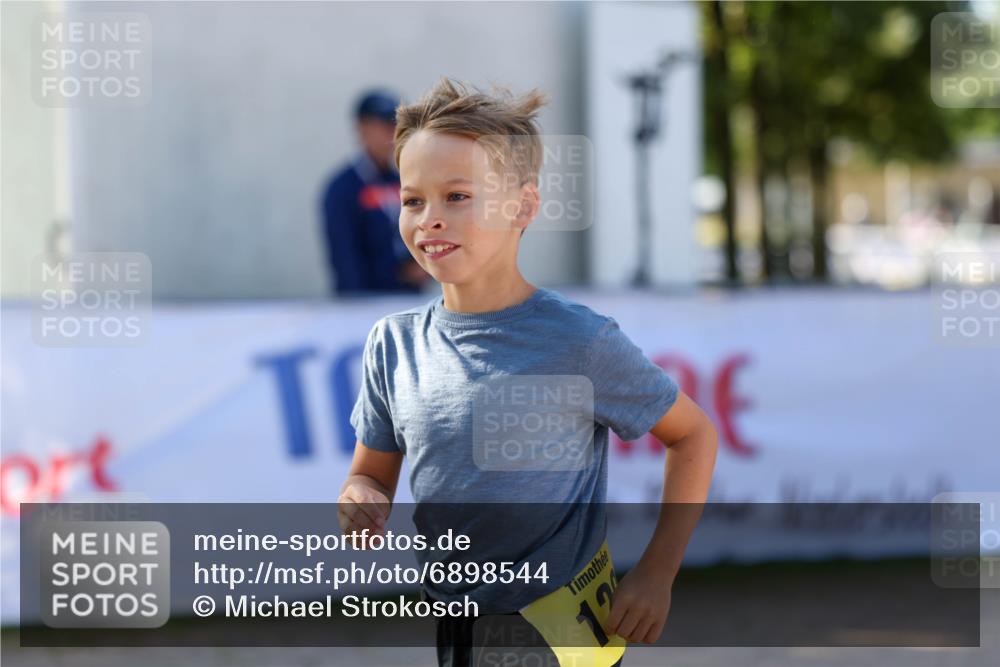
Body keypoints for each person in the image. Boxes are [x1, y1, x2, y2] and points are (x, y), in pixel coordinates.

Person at [337, 77, 718, 667]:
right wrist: (360, 497)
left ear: (523, 206)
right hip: (458, 628)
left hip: (558, 635)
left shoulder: (580, 341)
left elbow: (693, 435)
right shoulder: (392, 345)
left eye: (457, 196)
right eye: (413, 200)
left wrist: (657, 574)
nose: (429, 219)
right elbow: (371, 476)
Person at [320, 89, 429, 294]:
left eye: (395, 125)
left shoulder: (403, 181)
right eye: (383, 125)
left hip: (408, 300)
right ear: (361, 128)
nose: (392, 134)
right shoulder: (343, 188)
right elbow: (344, 257)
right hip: (364, 303)